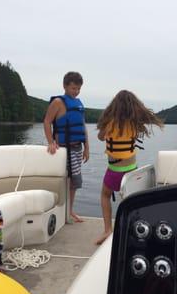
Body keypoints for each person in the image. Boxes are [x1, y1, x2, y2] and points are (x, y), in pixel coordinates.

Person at [95, 90, 163, 245]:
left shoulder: (109, 123)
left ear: (114, 106)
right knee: (130, 200)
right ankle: (132, 228)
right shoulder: (135, 124)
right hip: (132, 170)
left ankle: (107, 230)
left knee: (105, 195)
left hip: (114, 171)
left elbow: (100, 137)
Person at [43, 71, 89, 223]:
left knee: (74, 183)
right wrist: (51, 142)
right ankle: (62, 212)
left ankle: (69, 211)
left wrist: (87, 147)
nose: (76, 92)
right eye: (73, 88)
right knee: (66, 181)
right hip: (63, 149)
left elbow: (82, 126)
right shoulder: (58, 102)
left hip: (77, 148)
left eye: (78, 89)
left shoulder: (79, 104)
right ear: (65, 86)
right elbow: (47, 122)